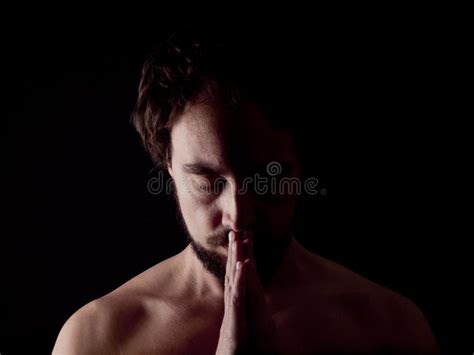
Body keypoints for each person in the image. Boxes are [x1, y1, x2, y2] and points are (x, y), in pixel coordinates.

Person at [53, 29, 439, 354]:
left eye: (267, 177)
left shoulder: (390, 332)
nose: (239, 215)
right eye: (207, 181)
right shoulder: (98, 340)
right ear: (166, 162)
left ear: (300, 162)